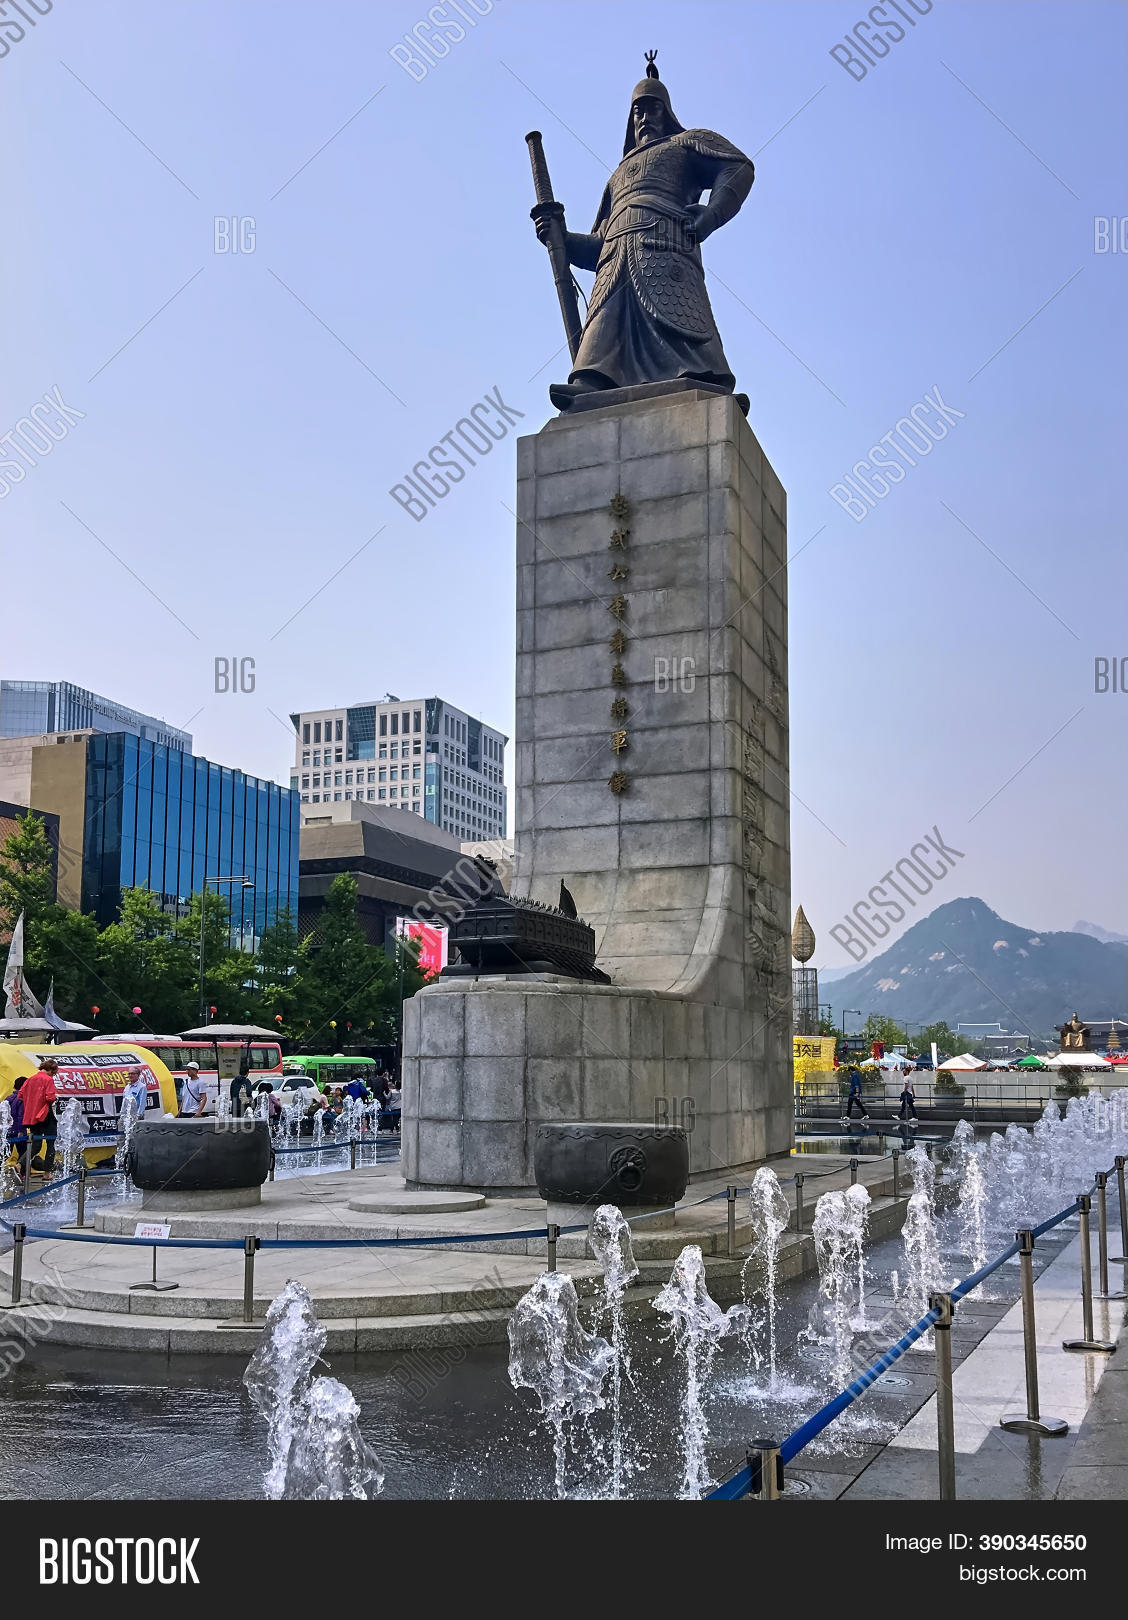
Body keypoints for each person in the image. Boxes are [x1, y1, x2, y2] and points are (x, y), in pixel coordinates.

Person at [20, 1055, 59, 1175]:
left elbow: (20, 1095)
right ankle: (47, 1172)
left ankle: (19, 1164)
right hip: (45, 1115)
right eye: (54, 1073)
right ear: (51, 1070)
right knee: (51, 1142)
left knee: (36, 1145)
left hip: (32, 1117)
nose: (53, 1075)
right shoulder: (48, 1080)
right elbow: (50, 1097)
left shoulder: (30, 1079)